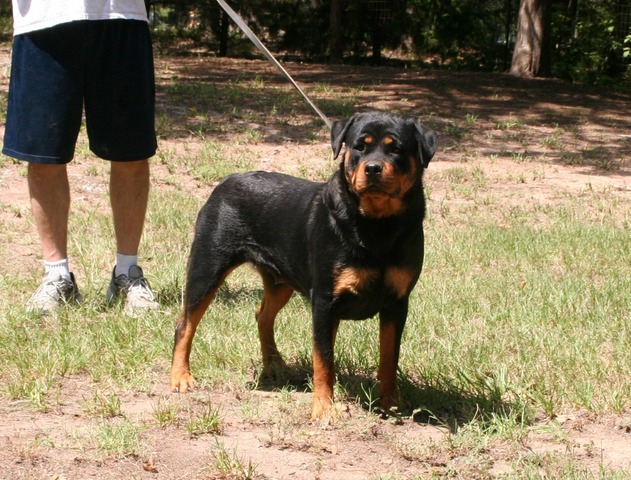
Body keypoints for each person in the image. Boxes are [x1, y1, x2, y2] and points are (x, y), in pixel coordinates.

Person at [3, 1, 159, 316]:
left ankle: (127, 273)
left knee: (130, 152)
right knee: (44, 155)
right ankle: (57, 275)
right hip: (43, 19)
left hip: (120, 15)